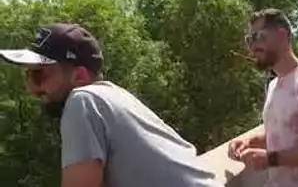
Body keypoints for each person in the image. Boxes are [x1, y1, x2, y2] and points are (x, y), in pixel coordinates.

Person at [0, 23, 221, 187]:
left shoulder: (82, 101)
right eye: (27, 76)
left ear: (79, 75)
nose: (31, 88)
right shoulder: (115, 97)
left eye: (39, 75)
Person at [228, 8, 298, 187]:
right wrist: (250, 141)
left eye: (259, 37)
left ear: (282, 36)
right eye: (250, 40)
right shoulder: (274, 85)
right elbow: (285, 133)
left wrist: (271, 159)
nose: (253, 46)